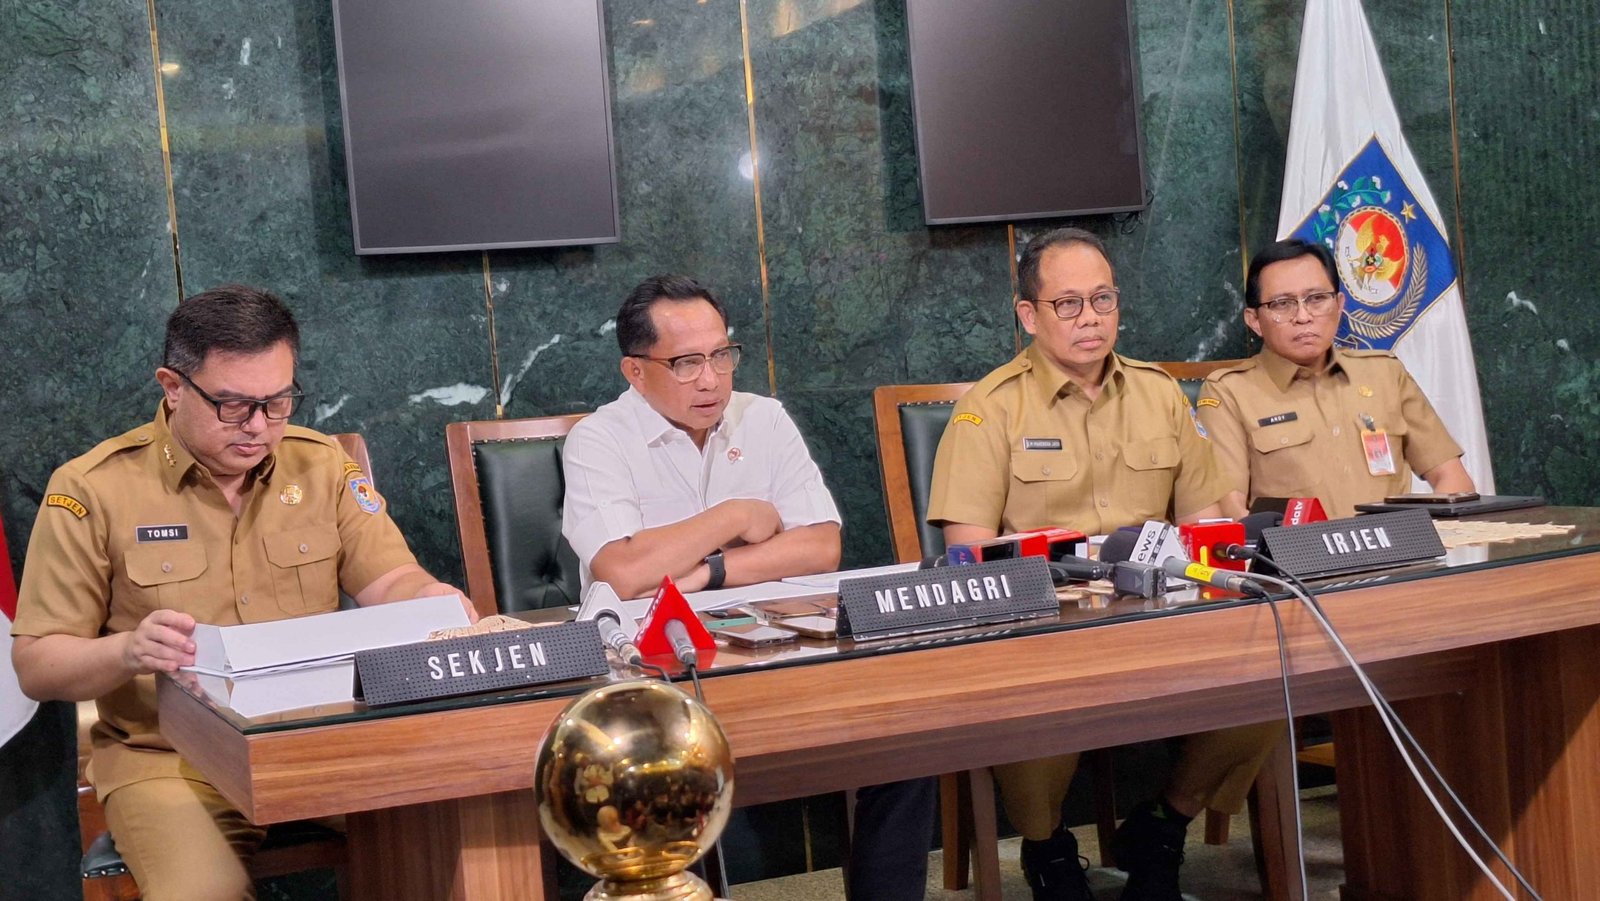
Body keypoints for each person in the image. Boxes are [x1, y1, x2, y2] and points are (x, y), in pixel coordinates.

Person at [10, 285, 475, 901]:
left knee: (462, 843)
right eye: (232, 406)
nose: (258, 427)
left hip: (324, 740)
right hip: (171, 761)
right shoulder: (93, 489)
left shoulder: (321, 466)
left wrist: (429, 598)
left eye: (277, 402)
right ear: (173, 387)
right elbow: (37, 663)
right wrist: (127, 650)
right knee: (204, 893)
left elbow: (389, 579)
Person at [926, 228, 1282, 901]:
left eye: (1102, 299)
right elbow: (969, 559)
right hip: (1047, 629)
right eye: (1068, 304)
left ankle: (1165, 822)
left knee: (1272, 668)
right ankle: (1047, 845)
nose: (1089, 317)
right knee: (1029, 687)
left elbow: (1209, 528)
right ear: (1029, 315)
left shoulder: (1159, 394)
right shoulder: (989, 410)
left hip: (1161, 617)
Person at [562, 274, 936, 900]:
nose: (711, 379)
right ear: (635, 370)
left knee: (903, 740)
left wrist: (709, 571)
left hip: (777, 650)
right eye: (685, 363)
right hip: (659, 674)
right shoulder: (598, 439)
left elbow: (821, 545)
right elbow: (623, 571)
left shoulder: (763, 418)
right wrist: (734, 516)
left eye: (721, 355)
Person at [1198, 238, 1474, 519]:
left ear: (1339, 305)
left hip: (1393, 546)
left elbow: (1453, 479)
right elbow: (1228, 510)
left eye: (1317, 299)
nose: (1303, 316)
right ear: (1254, 320)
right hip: (1296, 547)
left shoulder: (1384, 374)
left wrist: (1420, 536)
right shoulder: (1230, 392)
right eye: (1282, 304)